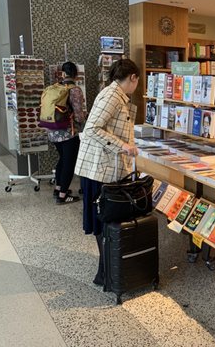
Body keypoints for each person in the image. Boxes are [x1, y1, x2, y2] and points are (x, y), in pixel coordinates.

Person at [74, 58, 140, 285]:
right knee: (104, 220)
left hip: (103, 168)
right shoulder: (112, 96)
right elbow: (92, 128)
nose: (136, 85)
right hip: (98, 170)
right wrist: (123, 146)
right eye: (137, 81)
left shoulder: (116, 95)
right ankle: (107, 274)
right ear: (132, 77)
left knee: (106, 221)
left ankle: (108, 272)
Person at [47, 62, 86, 204]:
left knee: (62, 160)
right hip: (69, 133)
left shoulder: (55, 88)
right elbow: (78, 116)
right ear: (75, 74)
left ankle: (58, 188)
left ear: (62, 73)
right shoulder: (75, 90)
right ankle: (63, 196)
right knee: (69, 163)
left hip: (53, 131)